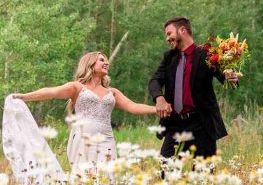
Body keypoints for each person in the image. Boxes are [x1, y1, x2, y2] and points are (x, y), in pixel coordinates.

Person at [12, 51, 156, 170]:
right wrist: (25, 97)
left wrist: (157, 109)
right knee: (84, 178)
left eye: (106, 61)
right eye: (101, 60)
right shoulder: (77, 88)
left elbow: (134, 107)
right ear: (90, 64)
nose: (106, 63)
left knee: (107, 176)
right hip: (82, 139)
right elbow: (51, 92)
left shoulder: (112, 92)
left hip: (106, 140)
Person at [148, 17, 237, 160]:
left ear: (182, 30)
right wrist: (159, 99)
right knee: (165, 173)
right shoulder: (169, 57)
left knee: (203, 177)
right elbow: (155, 81)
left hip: (201, 124)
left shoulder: (206, 54)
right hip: (174, 124)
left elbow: (225, 77)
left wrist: (232, 76)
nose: (167, 38)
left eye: (169, 33)